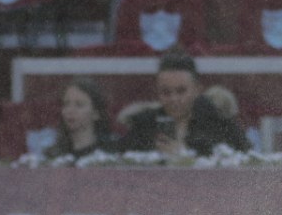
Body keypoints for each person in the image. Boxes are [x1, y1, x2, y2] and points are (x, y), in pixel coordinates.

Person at [119, 49, 251, 154]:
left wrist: (184, 155)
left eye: (181, 91)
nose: (174, 99)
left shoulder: (221, 126)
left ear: (197, 90)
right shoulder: (143, 126)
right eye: (166, 92)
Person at [44, 77, 119, 159]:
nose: (70, 111)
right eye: (66, 104)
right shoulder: (53, 155)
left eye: (79, 105)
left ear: (96, 113)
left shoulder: (111, 152)